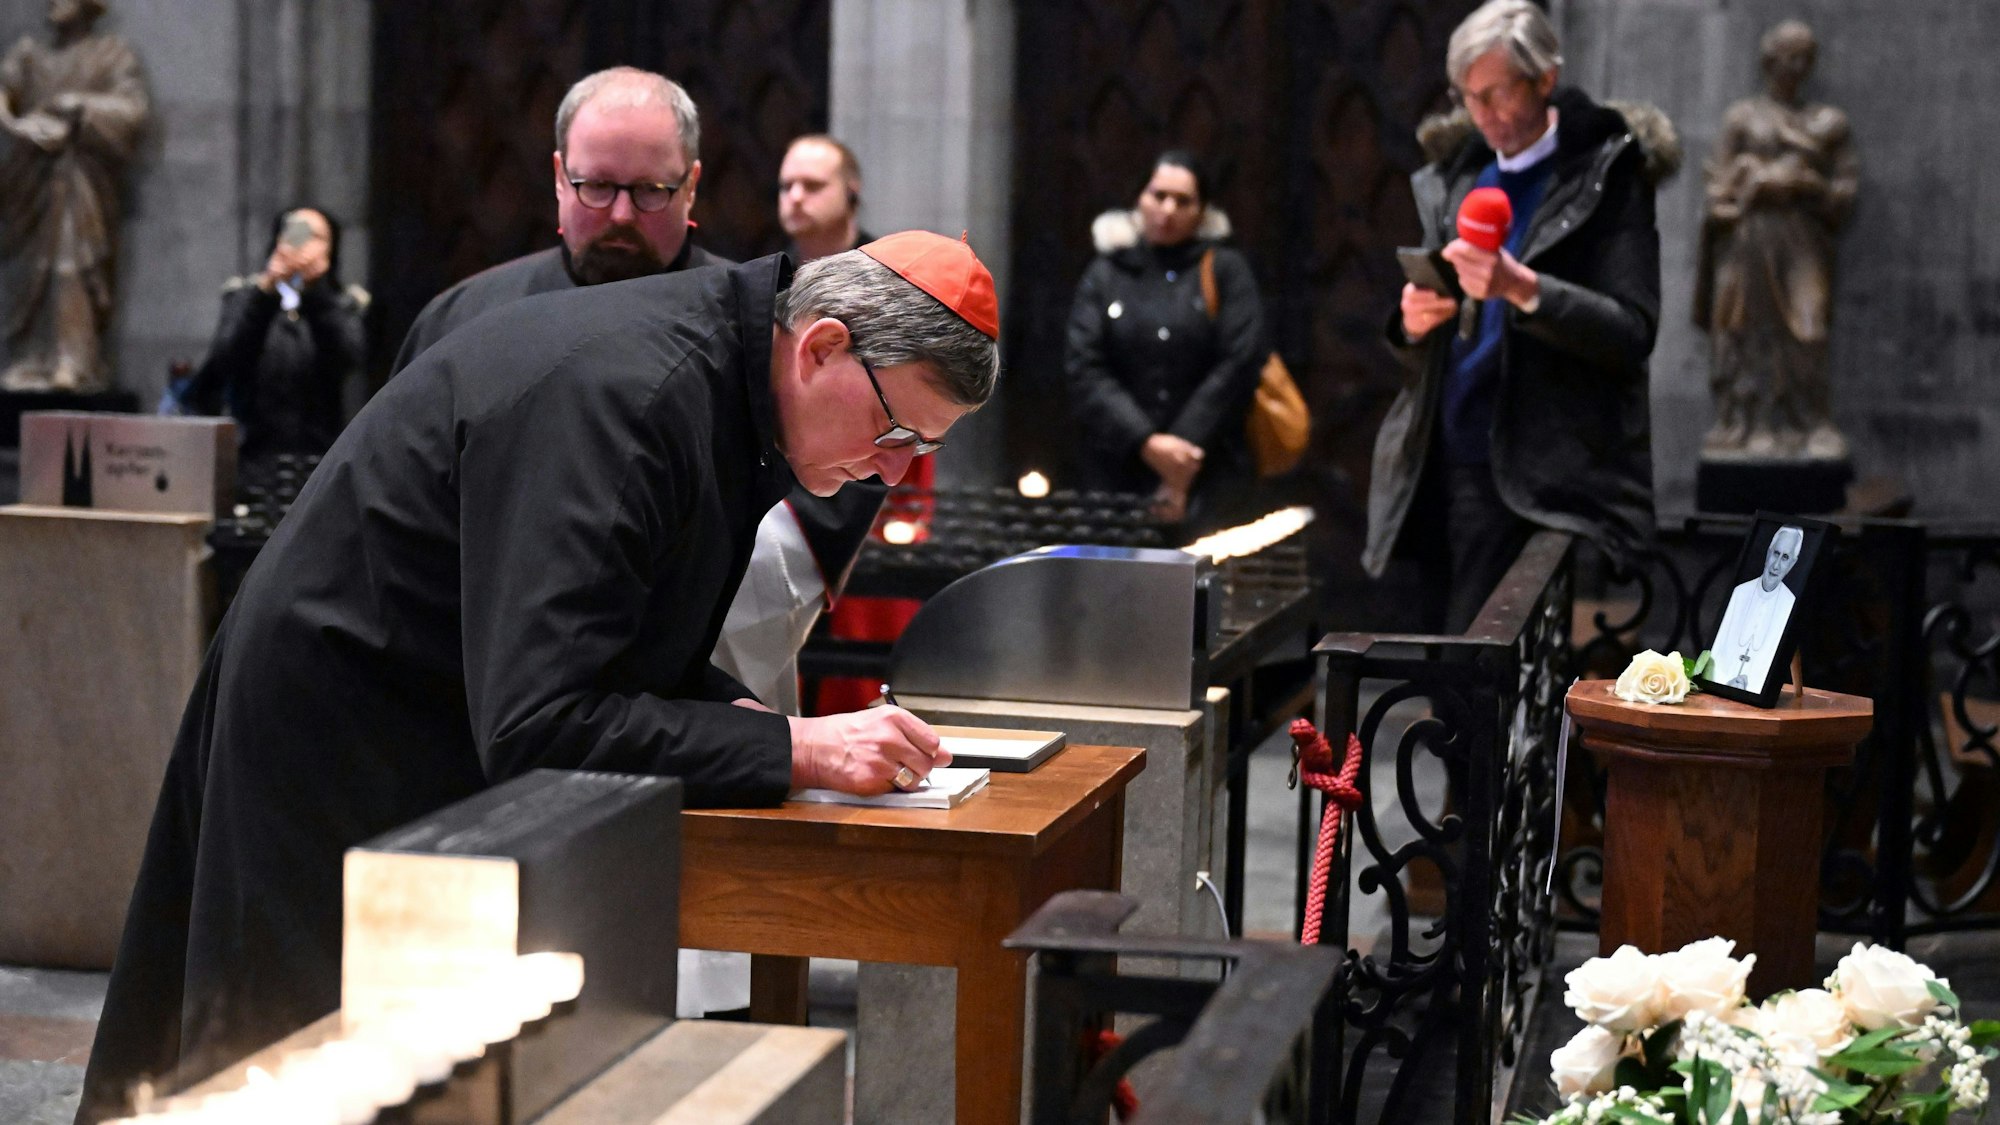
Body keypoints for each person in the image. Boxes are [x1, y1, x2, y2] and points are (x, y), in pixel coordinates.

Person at [75, 231, 1001, 1122]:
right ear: (822, 346)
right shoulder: (636, 396)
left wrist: (742, 715)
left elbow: (622, 639)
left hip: (427, 705)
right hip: (341, 724)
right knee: (292, 1071)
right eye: (894, 430)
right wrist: (795, 745)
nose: (891, 472)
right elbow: (543, 718)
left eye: (920, 450)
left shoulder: (722, 377)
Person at [1363, 0, 1677, 632]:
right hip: (1437, 457)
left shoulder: (1604, 174)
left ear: (1544, 79)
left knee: (1483, 665)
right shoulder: (1457, 176)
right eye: (1468, 97)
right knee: (1427, 657)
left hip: (1539, 471)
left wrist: (1525, 289)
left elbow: (1631, 331)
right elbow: (1434, 331)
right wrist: (1413, 325)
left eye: (1498, 93)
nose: (1483, 114)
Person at [389, 66, 727, 370]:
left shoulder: (742, 322)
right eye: (597, 186)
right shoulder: (463, 322)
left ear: (691, 186)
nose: (622, 215)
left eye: (651, 190)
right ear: (560, 178)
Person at [1064, 150, 1265, 532]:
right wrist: (1146, 441)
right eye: (1159, 196)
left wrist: (1180, 456)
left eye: (1183, 201)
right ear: (1139, 198)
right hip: (1118, 470)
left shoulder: (1225, 270)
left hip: (1210, 468)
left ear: (1202, 210)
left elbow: (1240, 360)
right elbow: (1084, 366)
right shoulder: (1106, 272)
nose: (1168, 210)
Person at [1695, 20, 1857, 460]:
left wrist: (1808, 185)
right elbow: (1715, 186)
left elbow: (1844, 191)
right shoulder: (1742, 118)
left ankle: (1806, 420)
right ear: (1769, 59)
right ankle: (1746, 421)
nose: (1798, 65)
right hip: (1749, 237)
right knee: (1742, 328)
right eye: (1791, 55)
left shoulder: (1826, 124)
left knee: (1808, 326)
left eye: (1806, 57)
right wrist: (1749, 183)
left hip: (1802, 239)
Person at [0, 0, 149, 392]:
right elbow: (4, 93)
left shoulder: (111, 54)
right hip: (30, 180)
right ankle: (34, 358)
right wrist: (17, 126)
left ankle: (75, 360)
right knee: (33, 271)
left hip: (80, 179)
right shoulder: (30, 54)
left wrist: (80, 106)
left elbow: (132, 112)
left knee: (72, 264)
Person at [175, 208, 367, 461]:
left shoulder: (343, 303)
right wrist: (265, 293)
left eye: (316, 237)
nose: (304, 243)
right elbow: (225, 361)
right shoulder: (246, 296)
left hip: (320, 456)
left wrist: (317, 293)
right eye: (297, 233)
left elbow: (348, 358)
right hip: (252, 455)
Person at [1713, 524, 1803, 691]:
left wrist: (1751, 688)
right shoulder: (1740, 593)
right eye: (1776, 553)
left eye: (1785, 558)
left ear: (1792, 563)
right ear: (1768, 553)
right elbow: (1716, 653)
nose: (1776, 565)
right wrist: (1724, 683)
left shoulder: (1790, 604)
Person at [778, 133, 872, 262]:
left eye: (813, 185)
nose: (795, 197)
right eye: (787, 186)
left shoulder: (881, 267)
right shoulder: (773, 271)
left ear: (850, 191)